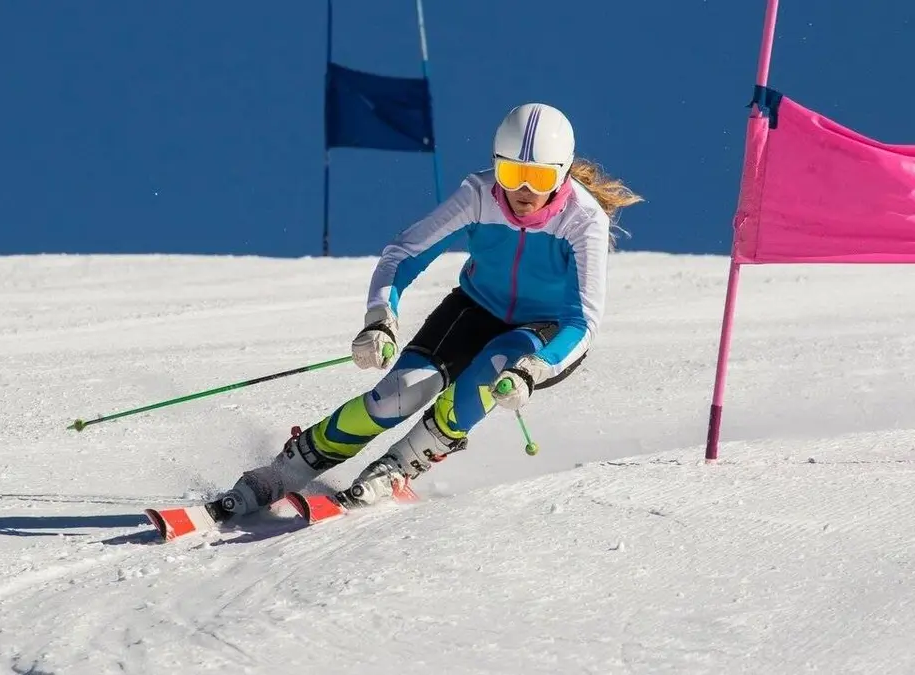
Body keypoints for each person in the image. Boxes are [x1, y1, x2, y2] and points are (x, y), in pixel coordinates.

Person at [213, 102, 642, 519]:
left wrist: (534, 368)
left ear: (562, 173)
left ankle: (396, 469)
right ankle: (289, 468)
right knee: (399, 394)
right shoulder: (479, 195)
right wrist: (380, 319)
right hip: (476, 308)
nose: (523, 191)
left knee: (482, 380)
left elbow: (582, 321)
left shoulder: (583, 220)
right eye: (512, 174)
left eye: (540, 177)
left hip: (544, 332)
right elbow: (404, 253)